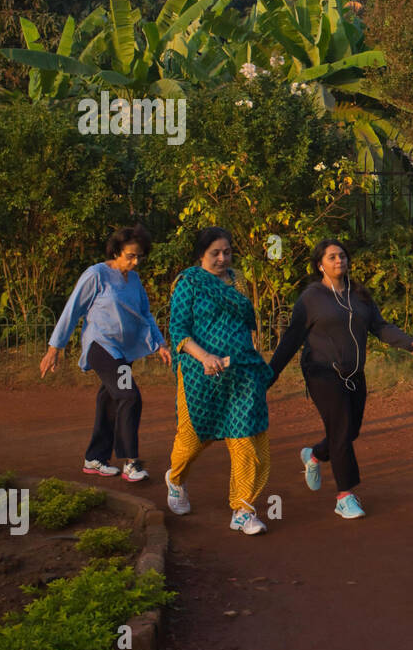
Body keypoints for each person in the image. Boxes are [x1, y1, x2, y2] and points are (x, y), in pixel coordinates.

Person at [268, 239, 413, 519]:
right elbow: (292, 338)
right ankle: (344, 495)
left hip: (353, 373)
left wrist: (407, 342)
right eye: (332, 257)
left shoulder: (359, 294)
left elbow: (379, 326)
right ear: (320, 265)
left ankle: (314, 455)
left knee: (351, 430)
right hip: (321, 371)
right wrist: (270, 374)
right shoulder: (311, 297)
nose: (339, 261)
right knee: (341, 429)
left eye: (342, 256)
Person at [162, 228, 275, 535]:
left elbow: (245, 322)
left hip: (240, 371)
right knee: (195, 437)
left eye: (227, 251)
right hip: (201, 374)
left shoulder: (236, 280)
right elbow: (179, 332)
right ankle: (175, 478)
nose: (223, 258)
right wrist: (205, 357)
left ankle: (243, 509)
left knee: (246, 438)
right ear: (201, 255)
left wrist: (250, 352)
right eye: (215, 253)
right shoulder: (189, 283)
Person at [41, 225, 172, 481]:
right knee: (129, 396)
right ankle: (131, 462)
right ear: (116, 251)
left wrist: (160, 344)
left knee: (110, 401)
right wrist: (55, 348)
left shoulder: (133, 280)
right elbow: (73, 309)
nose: (135, 262)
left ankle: (95, 458)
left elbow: (145, 313)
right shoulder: (96, 274)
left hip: (124, 352)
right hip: (101, 346)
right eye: (130, 256)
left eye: (139, 257)